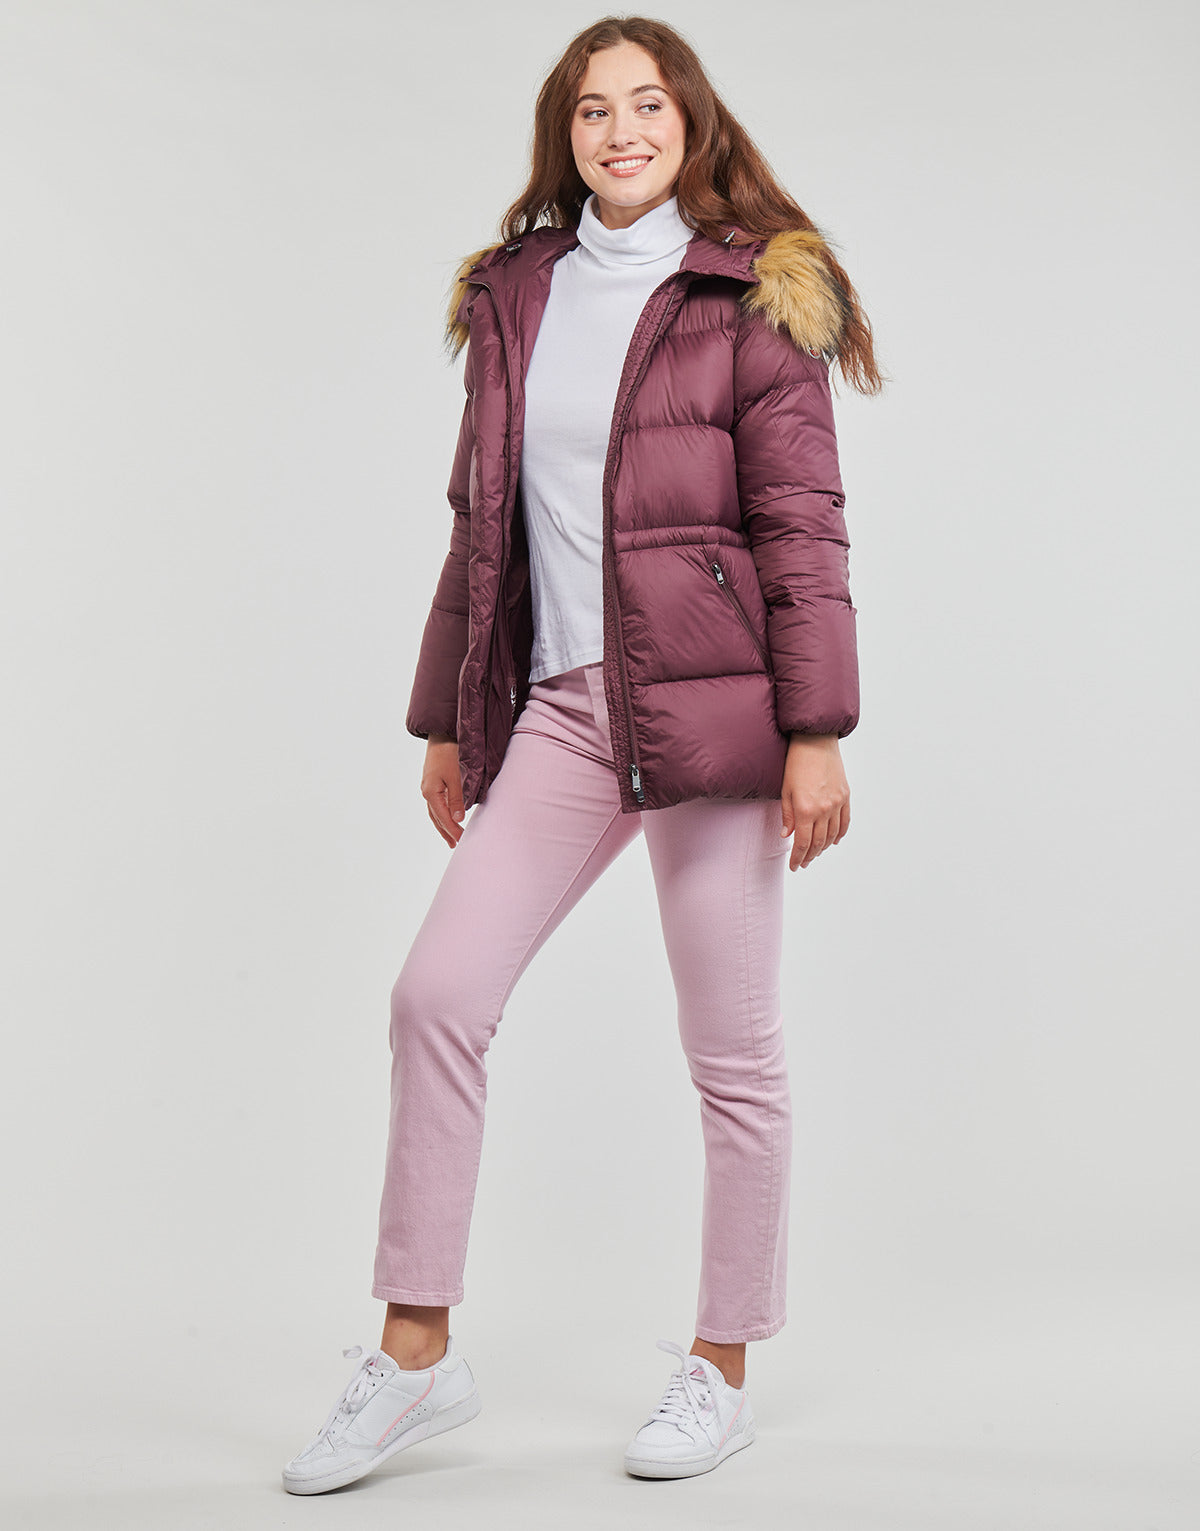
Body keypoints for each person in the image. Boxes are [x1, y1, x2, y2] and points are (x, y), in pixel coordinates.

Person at [282, 13, 882, 1497]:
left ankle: (721, 1369)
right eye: (596, 110)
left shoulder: (751, 291)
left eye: (649, 105)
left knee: (731, 1053)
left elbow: (802, 527)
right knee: (436, 996)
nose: (624, 131)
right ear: (566, 133)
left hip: (719, 712)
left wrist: (816, 730)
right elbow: (478, 522)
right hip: (559, 704)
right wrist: (446, 715)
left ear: (692, 123)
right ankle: (416, 1356)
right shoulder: (515, 293)